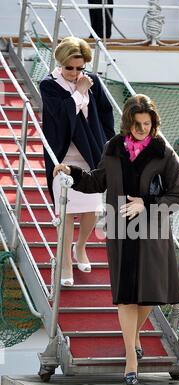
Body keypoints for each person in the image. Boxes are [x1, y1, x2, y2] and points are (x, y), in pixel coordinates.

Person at [53, 94, 179, 385]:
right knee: (126, 296)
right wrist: (72, 172)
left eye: (147, 124)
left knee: (150, 295)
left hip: (152, 232)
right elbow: (98, 180)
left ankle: (134, 336)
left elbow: (177, 196)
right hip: (121, 232)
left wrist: (146, 204)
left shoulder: (164, 153)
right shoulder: (112, 149)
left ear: (154, 123)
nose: (142, 129)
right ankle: (131, 357)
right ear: (128, 123)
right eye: (137, 124)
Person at [40, 37, 115, 286]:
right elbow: (62, 117)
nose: (74, 73)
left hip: (90, 155)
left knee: (92, 210)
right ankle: (65, 264)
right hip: (62, 157)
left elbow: (105, 113)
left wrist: (107, 141)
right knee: (66, 213)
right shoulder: (49, 85)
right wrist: (80, 91)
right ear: (60, 64)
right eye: (69, 68)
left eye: (78, 68)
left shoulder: (94, 81)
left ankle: (80, 246)